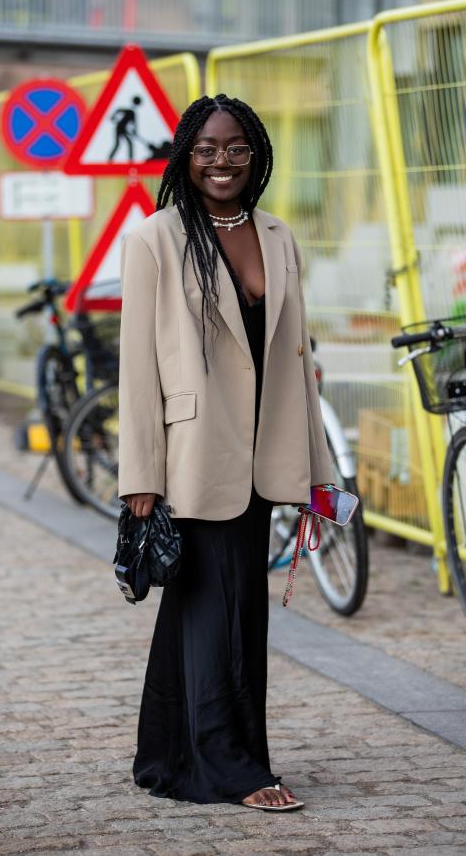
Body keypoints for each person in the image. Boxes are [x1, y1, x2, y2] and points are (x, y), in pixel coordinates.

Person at [118, 94, 333, 811]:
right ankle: (232, 767)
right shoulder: (156, 237)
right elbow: (138, 365)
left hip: (264, 454)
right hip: (193, 453)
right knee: (216, 607)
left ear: (256, 154)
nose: (222, 161)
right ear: (186, 153)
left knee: (226, 609)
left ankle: (168, 755)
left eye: (237, 148)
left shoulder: (277, 236)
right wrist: (140, 473)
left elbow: (297, 362)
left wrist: (318, 474)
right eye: (208, 148)